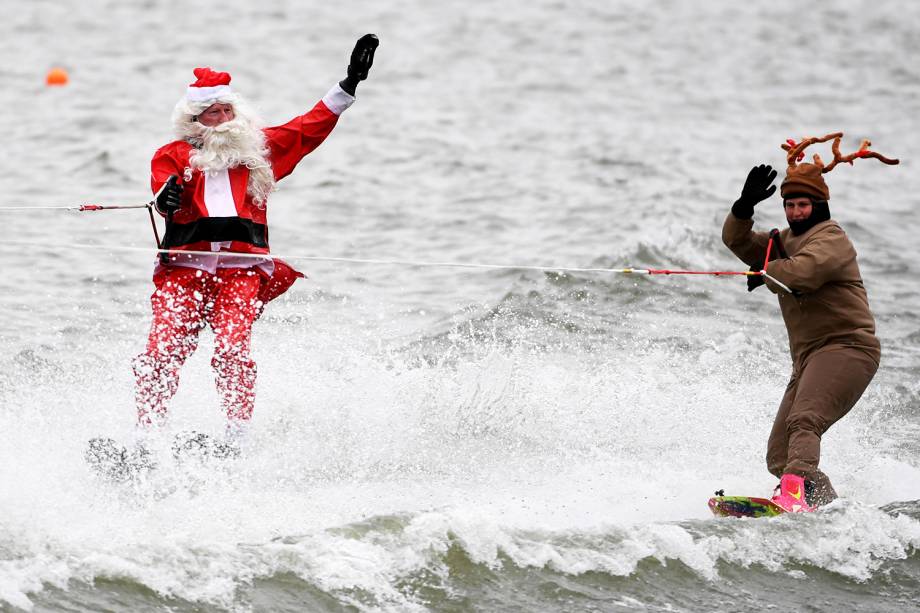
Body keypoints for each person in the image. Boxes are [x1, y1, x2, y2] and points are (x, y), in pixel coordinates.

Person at [133, 34, 379, 447]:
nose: (225, 118)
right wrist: (166, 198)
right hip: (183, 274)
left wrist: (349, 84)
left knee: (232, 351)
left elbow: (308, 128)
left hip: (241, 274)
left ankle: (237, 437)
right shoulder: (172, 155)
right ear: (196, 121)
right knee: (161, 352)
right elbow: (162, 193)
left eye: (229, 110)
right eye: (215, 112)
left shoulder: (260, 152)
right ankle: (144, 437)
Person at [721, 133, 898, 512]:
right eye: (790, 205)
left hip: (848, 348)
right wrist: (743, 207)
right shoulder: (783, 241)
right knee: (780, 455)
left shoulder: (832, 238)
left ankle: (792, 496)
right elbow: (740, 244)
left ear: (819, 206)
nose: (796, 212)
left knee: (805, 420)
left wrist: (767, 271)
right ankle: (829, 511)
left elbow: (805, 271)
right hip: (807, 358)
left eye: (803, 205)